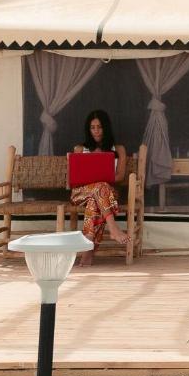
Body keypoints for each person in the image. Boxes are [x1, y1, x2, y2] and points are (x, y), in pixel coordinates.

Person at [71, 110, 130, 266]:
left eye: (99, 127)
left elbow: (120, 176)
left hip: (107, 195)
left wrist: (99, 181)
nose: (96, 130)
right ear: (88, 129)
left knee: (95, 202)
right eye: (92, 127)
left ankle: (88, 251)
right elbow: (74, 178)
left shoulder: (118, 149)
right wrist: (97, 181)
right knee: (99, 187)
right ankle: (113, 228)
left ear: (106, 128)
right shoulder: (79, 149)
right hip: (81, 192)